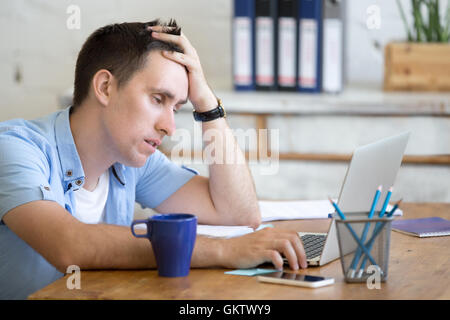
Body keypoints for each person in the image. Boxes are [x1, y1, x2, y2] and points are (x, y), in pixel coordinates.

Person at [0, 19, 307, 299]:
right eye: (158, 99)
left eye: (175, 108)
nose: (169, 127)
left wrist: (208, 106)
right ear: (105, 87)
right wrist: (225, 250)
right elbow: (70, 244)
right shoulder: (15, 148)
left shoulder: (133, 162)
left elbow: (239, 213)